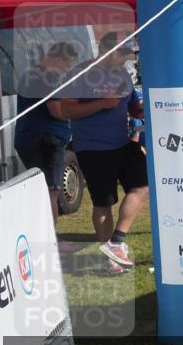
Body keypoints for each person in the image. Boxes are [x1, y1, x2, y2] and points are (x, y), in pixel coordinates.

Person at [60, 33, 147, 273]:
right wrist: (101, 103)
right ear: (104, 49)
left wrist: (142, 109)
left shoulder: (123, 75)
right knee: (103, 202)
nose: (124, 59)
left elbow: (132, 105)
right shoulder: (81, 74)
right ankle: (111, 259)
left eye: (127, 55)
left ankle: (116, 242)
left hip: (122, 143)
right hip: (93, 149)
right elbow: (66, 108)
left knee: (142, 184)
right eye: (121, 53)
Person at [14, 41, 79, 223]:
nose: (67, 68)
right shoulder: (48, 78)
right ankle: (50, 238)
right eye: (67, 63)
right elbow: (57, 111)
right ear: (57, 59)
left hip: (28, 137)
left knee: (42, 189)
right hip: (46, 140)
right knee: (51, 190)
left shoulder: (29, 75)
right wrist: (79, 113)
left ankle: (45, 232)